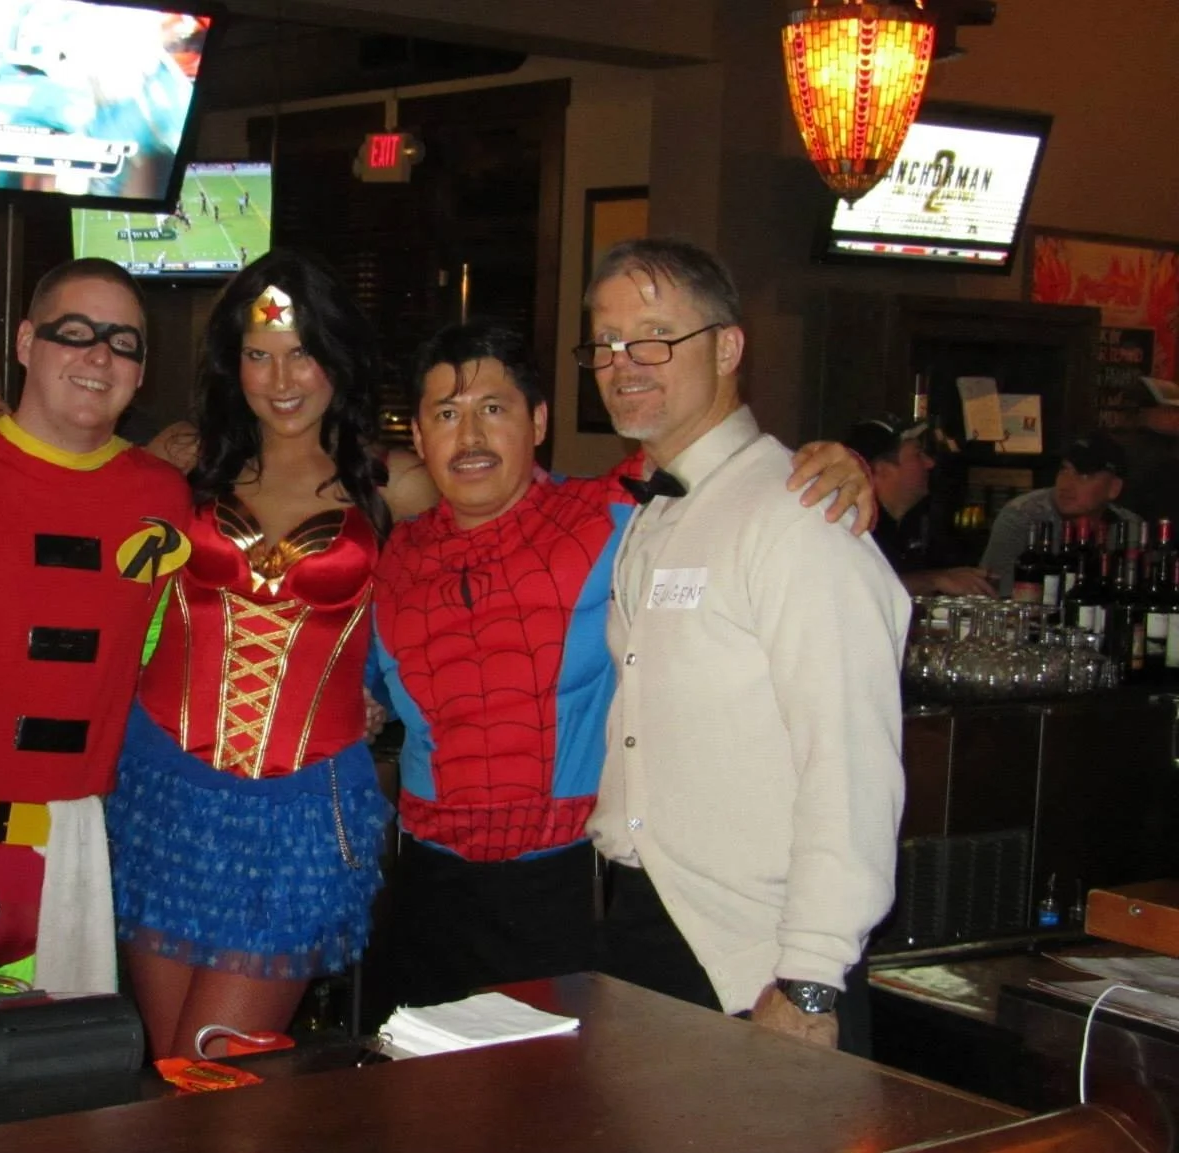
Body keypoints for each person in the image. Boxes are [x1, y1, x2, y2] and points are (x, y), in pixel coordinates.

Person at [368, 320, 876, 1011]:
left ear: (538, 420)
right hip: (429, 893)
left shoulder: (616, 512)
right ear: (419, 439)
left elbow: (726, 467)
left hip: (572, 892)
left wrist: (837, 464)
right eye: (447, 415)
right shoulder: (391, 557)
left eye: (495, 409)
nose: (472, 437)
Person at [582, 238, 906, 1056]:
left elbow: (852, 764)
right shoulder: (653, 511)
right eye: (607, 341)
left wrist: (809, 978)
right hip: (645, 927)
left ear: (727, 347)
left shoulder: (800, 514)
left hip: (759, 961)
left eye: (655, 335)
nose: (626, 362)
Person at [111, 250, 432, 1058]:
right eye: (258, 354)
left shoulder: (395, 484)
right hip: (165, 792)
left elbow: (485, 559)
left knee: (216, 1067)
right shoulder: (184, 467)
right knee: (168, 1064)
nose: (280, 377)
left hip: (297, 807)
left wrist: (383, 690)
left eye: (302, 352)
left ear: (338, 357)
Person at [0, 257, 191, 994]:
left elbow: (156, 664)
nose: (98, 356)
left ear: (142, 371)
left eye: (124, 343)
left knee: (59, 1085)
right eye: (75, 333)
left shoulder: (165, 497)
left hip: (80, 849)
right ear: (25, 343)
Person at [842, 414, 993, 597]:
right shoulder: (852, 525)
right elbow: (859, 590)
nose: (930, 463)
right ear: (882, 469)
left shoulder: (917, 521)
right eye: (918, 454)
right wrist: (934, 580)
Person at [979, 432, 1143, 596]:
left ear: (1114, 488)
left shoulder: (1130, 528)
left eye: (1084, 475)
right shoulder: (1023, 516)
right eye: (1064, 470)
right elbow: (994, 592)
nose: (1066, 484)